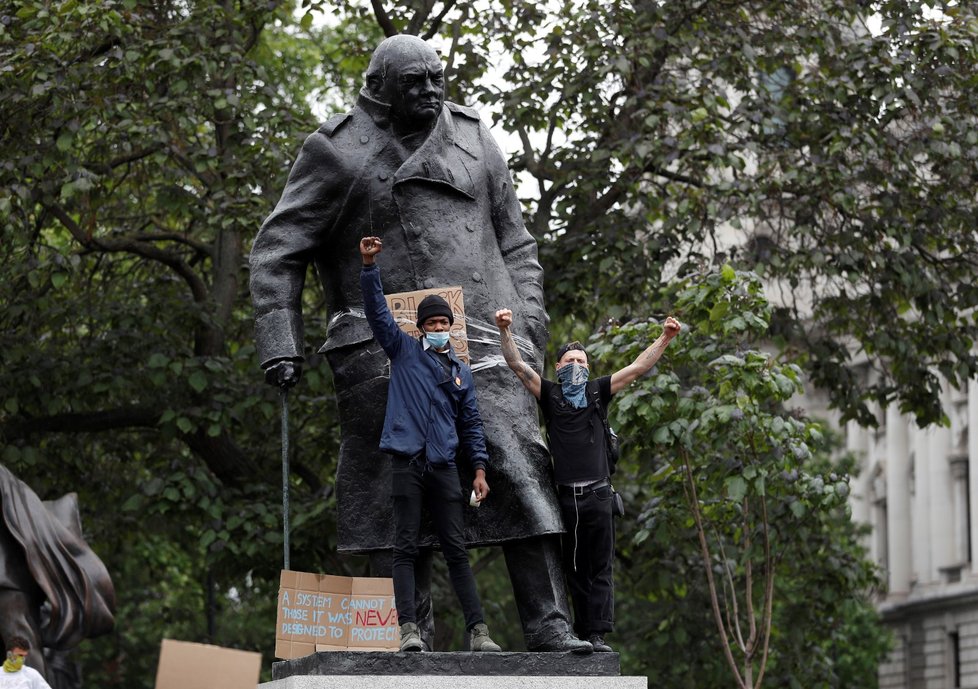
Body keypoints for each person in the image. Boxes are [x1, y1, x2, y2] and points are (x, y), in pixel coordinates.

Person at [250, 34, 589, 651]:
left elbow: (517, 245)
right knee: (394, 489)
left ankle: (550, 625)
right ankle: (404, 636)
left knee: (517, 465)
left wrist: (532, 327)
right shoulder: (336, 152)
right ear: (379, 88)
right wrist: (280, 340)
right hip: (385, 343)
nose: (432, 91)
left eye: (438, 79)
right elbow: (277, 250)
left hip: (488, 339)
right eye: (416, 83)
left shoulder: (476, 139)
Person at [495, 308, 681, 652]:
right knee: (574, 567)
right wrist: (504, 330)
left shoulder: (598, 391)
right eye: (570, 360)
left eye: (582, 360)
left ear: (589, 368)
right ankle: (578, 635)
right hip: (567, 499)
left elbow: (639, 367)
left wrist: (665, 337)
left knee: (600, 568)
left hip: (598, 496)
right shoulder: (550, 394)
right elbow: (519, 367)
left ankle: (597, 635)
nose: (577, 365)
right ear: (559, 367)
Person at [358, 236, 501, 652]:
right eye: (432, 324)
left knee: (456, 550)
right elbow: (377, 314)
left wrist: (478, 469)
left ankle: (479, 632)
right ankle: (408, 632)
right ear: (421, 328)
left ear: (450, 328)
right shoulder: (402, 351)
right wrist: (369, 267)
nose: (439, 329)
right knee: (405, 547)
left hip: (443, 467)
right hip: (406, 462)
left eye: (444, 324)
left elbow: (472, 422)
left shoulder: (461, 371)